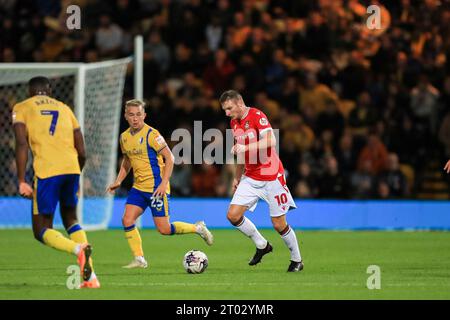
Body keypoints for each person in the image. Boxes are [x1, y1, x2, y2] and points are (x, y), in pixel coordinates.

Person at [12, 76, 99, 288]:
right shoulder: (65, 108)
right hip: (71, 168)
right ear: (49, 90)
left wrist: (22, 179)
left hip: (47, 171)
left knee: (41, 229)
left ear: (30, 91)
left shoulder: (22, 107)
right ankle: (90, 278)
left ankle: (77, 249)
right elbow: (82, 147)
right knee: (71, 219)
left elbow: (21, 144)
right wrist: (76, 172)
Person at [106, 99, 213, 269]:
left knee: (164, 229)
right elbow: (127, 160)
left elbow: (170, 158)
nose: (135, 118)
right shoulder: (124, 137)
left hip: (156, 188)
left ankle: (197, 228)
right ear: (125, 116)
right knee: (127, 219)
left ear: (144, 115)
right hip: (138, 188)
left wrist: (164, 183)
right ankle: (139, 258)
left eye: (139, 115)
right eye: (131, 115)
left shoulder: (152, 135)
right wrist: (118, 180)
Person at [219, 90, 303, 272]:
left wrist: (245, 146)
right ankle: (262, 245)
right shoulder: (234, 122)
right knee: (233, 215)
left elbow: (271, 141)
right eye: (224, 110)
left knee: (279, 224)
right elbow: (241, 152)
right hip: (250, 176)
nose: (226, 113)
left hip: (272, 177)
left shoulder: (257, 115)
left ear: (239, 103)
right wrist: (237, 177)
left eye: (229, 108)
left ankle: (297, 260)